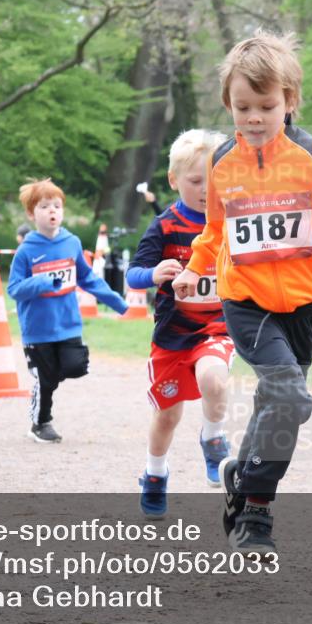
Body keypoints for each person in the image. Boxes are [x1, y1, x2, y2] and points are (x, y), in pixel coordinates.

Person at [172, 31, 312, 555]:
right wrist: (194, 268)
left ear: (290, 102)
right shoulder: (223, 161)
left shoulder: (311, 154)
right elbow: (214, 230)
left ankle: (244, 479)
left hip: (305, 303)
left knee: (275, 405)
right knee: (293, 397)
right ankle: (257, 515)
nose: (254, 117)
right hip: (247, 301)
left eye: (266, 106)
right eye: (242, 107)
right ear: (227, 105)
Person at [126, 129, 235, 518]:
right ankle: (155, 474)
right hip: (173, 337)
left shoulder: (229, 223)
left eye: (214, 179)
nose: (207, 190)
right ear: (173, 181)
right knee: (167, 415)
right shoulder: (165, 226)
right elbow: (132, 274)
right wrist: (154, 273)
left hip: (216, 329)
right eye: (195, 181)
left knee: (214, 379)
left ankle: (213, 438)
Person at [7, 179, 128, 443]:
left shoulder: (71, 243)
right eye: (44, 206)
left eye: (57, 206)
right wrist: (44, 281)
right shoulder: (26, 250)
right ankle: (40, 423)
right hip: (38, 330)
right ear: (31, 213)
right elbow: (14, 288)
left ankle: (45, 378)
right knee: (46, 378)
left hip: (68, 324)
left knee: (75, 366)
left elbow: (88, 279)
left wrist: (117, 301)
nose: (52, 211)